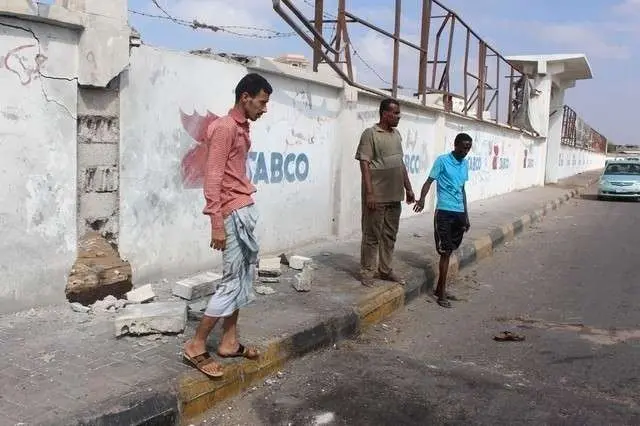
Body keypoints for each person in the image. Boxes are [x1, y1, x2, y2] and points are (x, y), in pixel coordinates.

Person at [182, 73, 272, 378]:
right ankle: (196, 344)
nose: (264, 109)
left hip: (243, 209)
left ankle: (229, 342)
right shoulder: (223, 128)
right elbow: (213, 177)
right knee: (231, 280)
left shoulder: (241, 127)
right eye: (261, 102)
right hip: (231, 214)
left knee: (243, 277)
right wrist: (216, 223)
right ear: (245, 97)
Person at [355, 98, 415, 287]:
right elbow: (364, 164)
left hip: (394, 194)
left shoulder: (396, 135)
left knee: (390, 234)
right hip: (377, 195)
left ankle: (385, 269)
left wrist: (408, 187)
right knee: (372, 235)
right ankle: (367, 271)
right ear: (384, 113)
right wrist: (370, 194)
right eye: (395, 113)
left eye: (398, 113)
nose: (398, 116)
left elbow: (400, 163)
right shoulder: (370, 134)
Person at [413, 133, 473, 308]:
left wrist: (466, 215)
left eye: (468, 148)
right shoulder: (442, 161)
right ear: (455, 145)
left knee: (450, 250)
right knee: (445, 252)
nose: (465, 151)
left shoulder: (465, 164)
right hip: (444, 212)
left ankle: (440, 289)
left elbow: (462, 190)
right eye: (463, 147)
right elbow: (429, 181)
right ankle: (442, 293)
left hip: (459, 213)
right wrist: (422, 199)